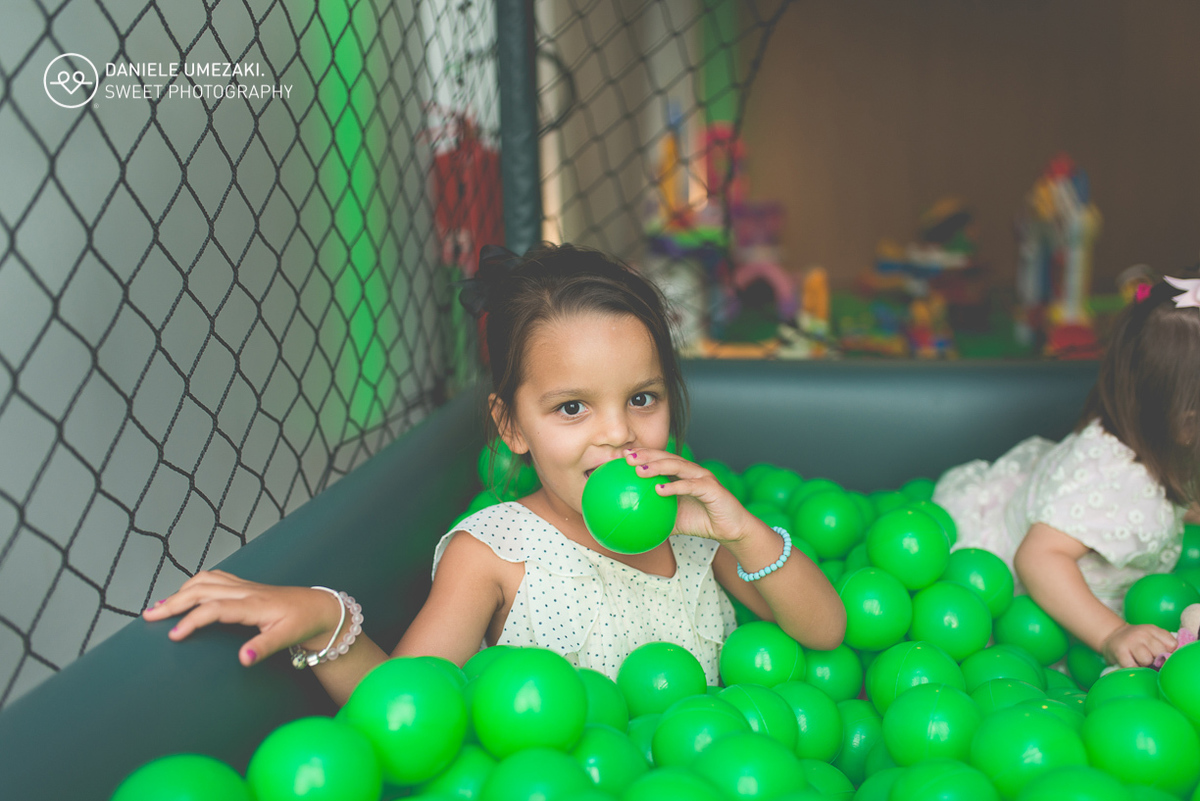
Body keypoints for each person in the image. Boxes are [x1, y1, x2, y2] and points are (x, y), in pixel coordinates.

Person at [144, 242, 845, 704]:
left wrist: (743, 529)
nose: (617, 432)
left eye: (642, 398)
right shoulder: (494, 553)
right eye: (572, 407)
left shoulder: (697, 535)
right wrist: (324, 622)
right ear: (512, 426)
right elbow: (411, 707)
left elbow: (825, 630)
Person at [933, 274, 1200, 669]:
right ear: (1185, 426)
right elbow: (1037, 558)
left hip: (1046, 507)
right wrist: (1110, 633)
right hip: (1033, 593)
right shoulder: (1124, 488)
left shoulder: (1138, 427)